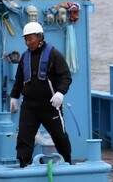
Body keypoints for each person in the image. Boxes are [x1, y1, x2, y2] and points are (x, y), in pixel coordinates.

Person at [9, 21, 72, 167]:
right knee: (24, 137)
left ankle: (67, 163)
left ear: (40, 37)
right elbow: (19, 80)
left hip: (50, 106)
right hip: (29, 106)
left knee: (59, 136)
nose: (28, 42)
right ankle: (24, 165)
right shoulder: (25, 57)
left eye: (31, 38)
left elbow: (66, 76)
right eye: (26, 39)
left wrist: (60, 93)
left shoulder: (54, 55)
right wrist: (14, 97)